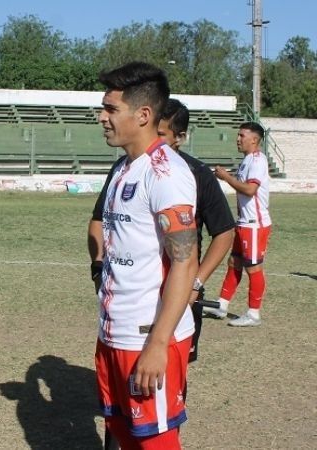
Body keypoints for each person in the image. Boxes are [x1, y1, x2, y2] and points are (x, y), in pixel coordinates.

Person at [92, 61, 198, 449]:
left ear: (143, 114)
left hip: (147, 338)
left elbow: (186, 262)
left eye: (110, 109)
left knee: (155, 443)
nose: (102, 118)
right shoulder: (124, 167)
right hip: (114, 333)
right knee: (123, 437)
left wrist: (158, 342)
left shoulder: (166, 173)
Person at [90, 98, 234, 363]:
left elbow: (224, 232)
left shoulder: (195, 173)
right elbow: (98, 220)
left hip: (179, 291)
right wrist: (98, 268)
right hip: (130, 306)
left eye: (160, 134)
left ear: (180, 137)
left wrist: (195, 283)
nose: (151, 139)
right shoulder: (124, 168)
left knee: (169, 378)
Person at [202, 122, 272, 327]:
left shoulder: (258, 161)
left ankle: (253, 314)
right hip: (244, 223)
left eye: (242, 135)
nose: (238, 139)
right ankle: (222, 305)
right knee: (234, 263)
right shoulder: (247, 160)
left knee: (253, 267)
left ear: (254, 139)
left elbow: (250, 190)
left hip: (255, 225)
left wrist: (226, 177)